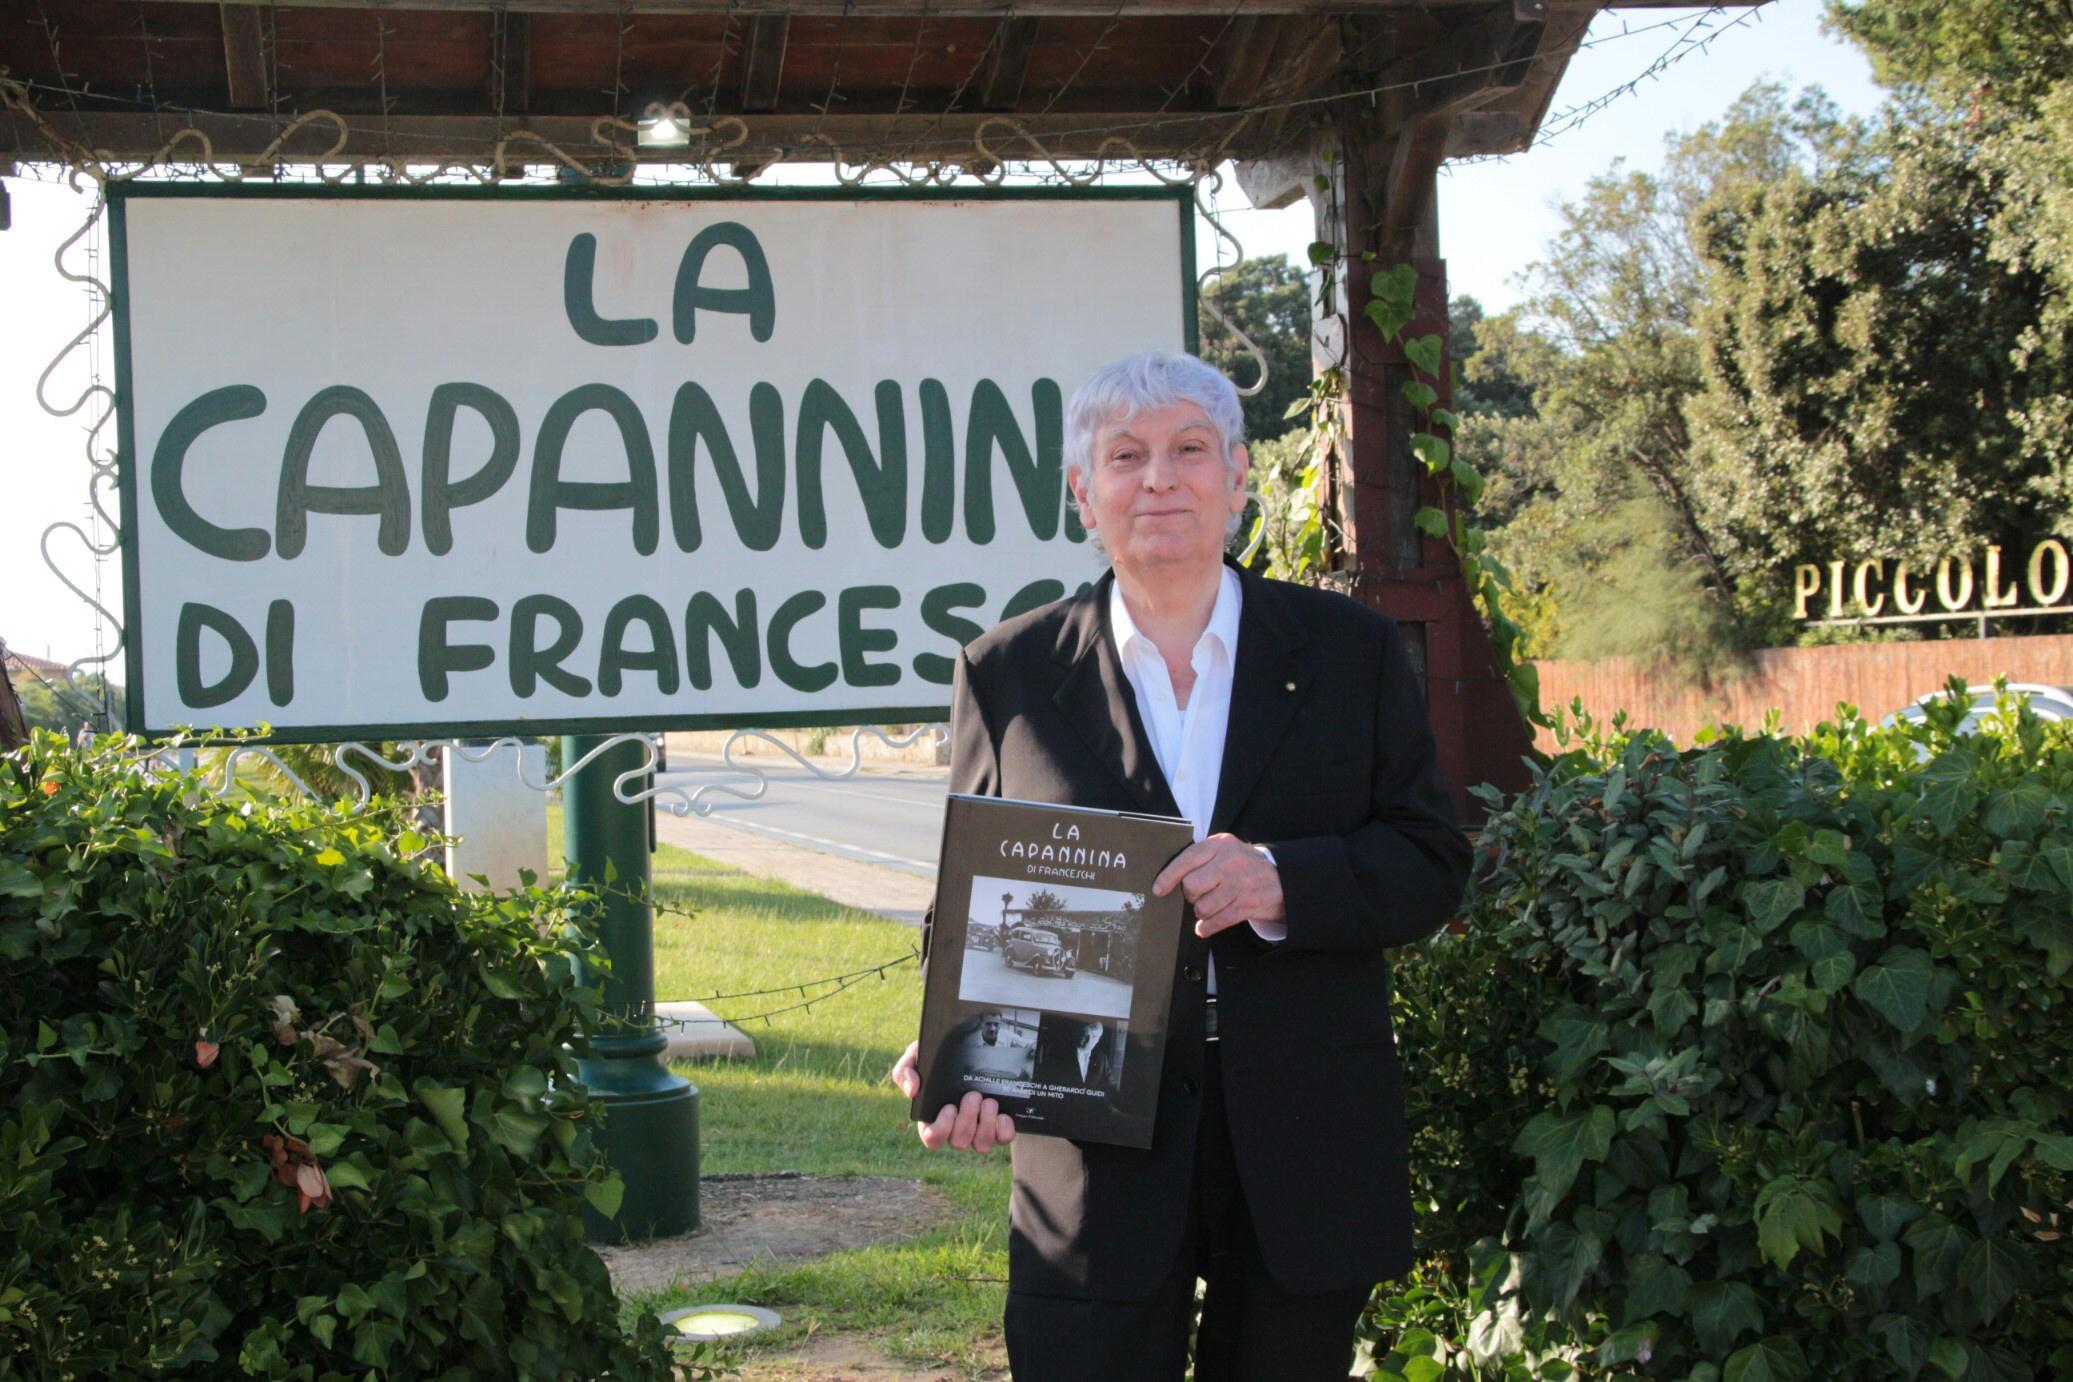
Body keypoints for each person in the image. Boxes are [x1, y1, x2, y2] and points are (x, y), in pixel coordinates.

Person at [891, 351, 1471, 1380]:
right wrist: (954, 1047)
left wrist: (1283, 878)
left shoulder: (1350, 651)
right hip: (1091, 1151)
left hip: (1299, 1136)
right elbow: (974, 897)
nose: (1158, 478)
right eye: (1126, 456)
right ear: (1083, 493)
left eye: (1189, 450)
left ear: (1238, 478)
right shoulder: (1009, 671)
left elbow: (1429, 860)